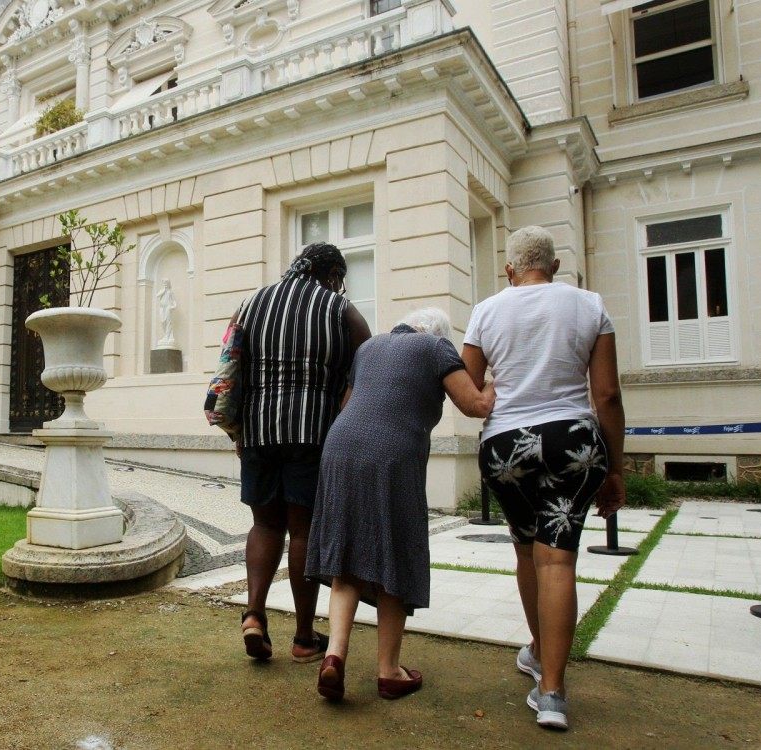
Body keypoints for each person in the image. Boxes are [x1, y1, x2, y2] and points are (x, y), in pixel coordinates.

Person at [462, 226, 626, 731]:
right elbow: (607, 397)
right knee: (559, 558)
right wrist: (616, 468)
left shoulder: (488, 309)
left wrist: (493, 392)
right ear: (555, 267)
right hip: (571, 442)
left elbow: (469, 388)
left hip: (507, 445)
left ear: (509, 270)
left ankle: (538, 652)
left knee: (527, 550)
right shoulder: (589, 304)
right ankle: (551, 689)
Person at [307, 309, 494, 702]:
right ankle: (389, 671)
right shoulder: (437, 347)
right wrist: (502, 381)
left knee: (346, 555)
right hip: (392, 456)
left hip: (340, 448)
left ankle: (334, 656)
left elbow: (349, 405)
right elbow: (475, 404)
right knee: (392, 555)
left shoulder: (371, 346)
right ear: (440, 333)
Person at [233, 242, 371, 663]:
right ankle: (304, 637)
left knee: (264, 523)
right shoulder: (339, 309)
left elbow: (229, 365)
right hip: (312, 433)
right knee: (304, 531)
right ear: (332, 274)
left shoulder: (251, 303)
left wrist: (236, 429)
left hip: (257, 429)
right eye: (340, 280)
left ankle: (254, 615)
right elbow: (365, 368)